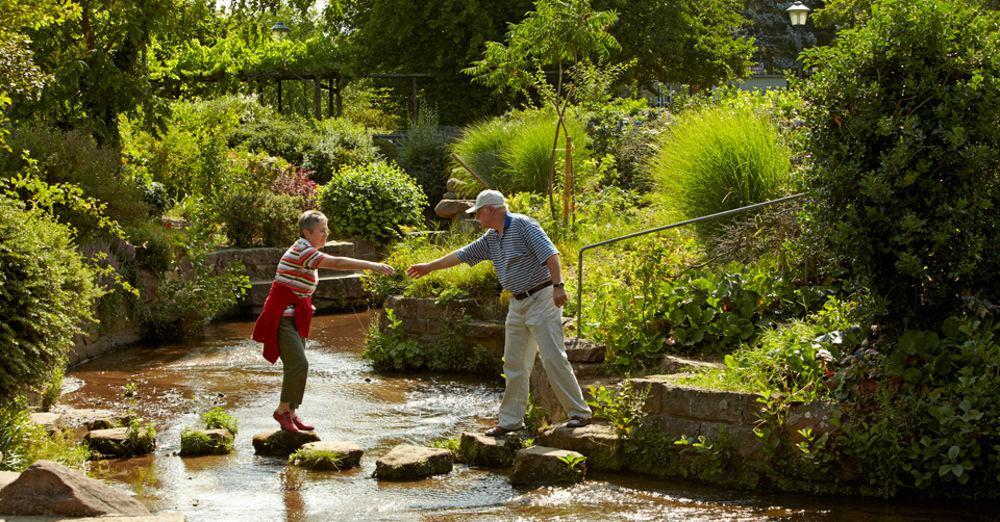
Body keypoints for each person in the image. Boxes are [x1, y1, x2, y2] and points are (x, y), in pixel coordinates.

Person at [406, 190, 592, 436]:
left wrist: (558, 286)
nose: (476, 217)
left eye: (478, 213)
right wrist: (429, 267)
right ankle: (511, 421)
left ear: (491, 210)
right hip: (518, 304)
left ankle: (579, 412)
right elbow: (462, 254)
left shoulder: (524, 225)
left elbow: (551, 254)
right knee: (514, 363)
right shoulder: (492, 237)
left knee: (552, 358)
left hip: (543, 296)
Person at [252, 210, 394, 432]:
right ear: (307, 232)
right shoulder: (303, 250)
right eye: (321, 230)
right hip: (281, 317)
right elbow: (336, 263)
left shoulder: (306, 249)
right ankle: (281, 412)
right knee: (299, 364)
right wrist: (373, 265)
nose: (326, 234)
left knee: (298, 365)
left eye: (327, 229)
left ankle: (291, 412)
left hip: (295, 316)